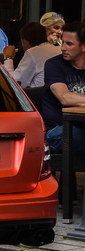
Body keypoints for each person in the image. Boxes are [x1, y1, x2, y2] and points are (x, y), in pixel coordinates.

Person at [42, 22, 85, 154]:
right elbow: (64, 98)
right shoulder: (53, 65)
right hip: (57, 131)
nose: (62, 48)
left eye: (69, 44)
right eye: (63, 42)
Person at [2, 22, 59, 88]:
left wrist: (8, 58)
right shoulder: (58, 50)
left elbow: (15, 83)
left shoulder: (32, 53)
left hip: (39, 96)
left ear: (25, 42)